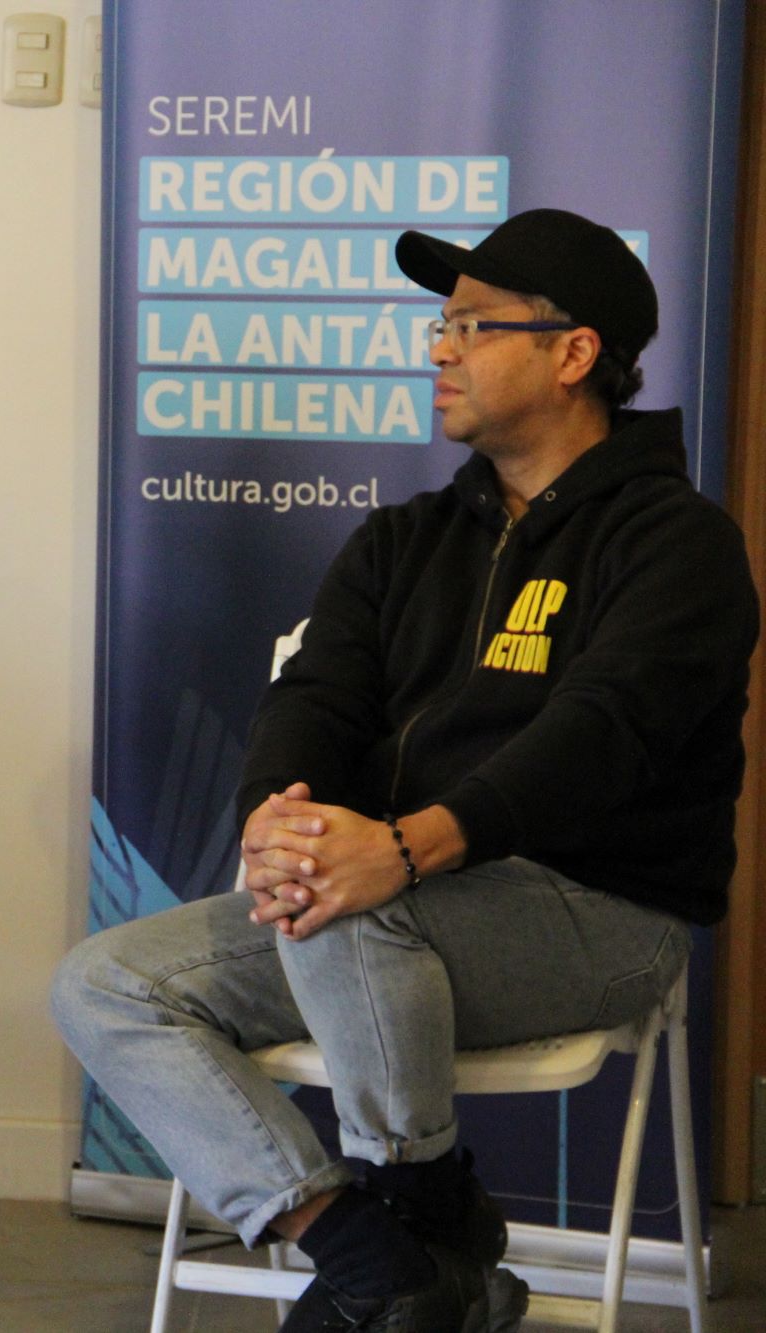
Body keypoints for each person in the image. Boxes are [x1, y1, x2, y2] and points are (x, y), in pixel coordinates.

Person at [52, 209, 757, 1332]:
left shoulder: (677, 542)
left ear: (573, 353)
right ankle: (379, 1253)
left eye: (473, 325)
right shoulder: (404, 538)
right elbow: (313, 699)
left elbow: (604, 732)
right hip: (376, 916)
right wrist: (273, 822)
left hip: (595, 910)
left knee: (350, 907)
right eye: (441, 325)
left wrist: (403, 848)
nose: (439, 349)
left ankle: (414, 1217)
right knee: (104, 982)